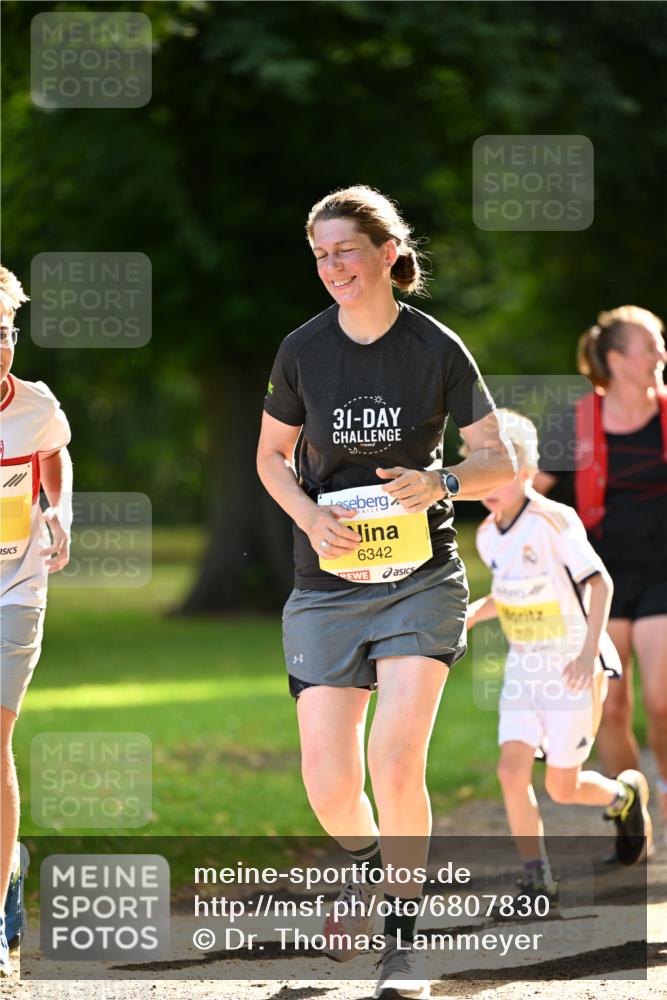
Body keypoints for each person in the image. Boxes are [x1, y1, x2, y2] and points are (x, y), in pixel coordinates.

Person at [257, 185, 515, 999]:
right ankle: (372, 866)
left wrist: (438, 480)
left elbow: (500, 462)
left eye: (345, 250)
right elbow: (269, 456)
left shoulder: (436, 348)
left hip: (419, 581)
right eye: (320, 254)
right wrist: (306, 516)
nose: (332, 266)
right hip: (326, 582)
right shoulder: (301, 348)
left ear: (387, 254)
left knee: (395, 759)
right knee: (330, 783)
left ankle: (404, 943)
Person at [467, 409, 653, 907]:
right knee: (511, 770)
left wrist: (589, 652)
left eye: (497, 465)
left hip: (573, 668)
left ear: (526, 469)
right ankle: (536, 875)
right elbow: (510, 595)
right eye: (475, 463)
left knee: (563, 788)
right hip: (523, 669)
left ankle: (623, 796)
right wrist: (470, 615)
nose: (485, 477)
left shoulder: (553, 519)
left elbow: (599, 582)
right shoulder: (486, 536)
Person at [536, 306, 667, 847]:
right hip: (602, 583)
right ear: (615, 360)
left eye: (660, 345)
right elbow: (533, 492)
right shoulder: (575, 423)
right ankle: (628, 803)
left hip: (663, 575)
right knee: (613, 705)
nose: (661, 355)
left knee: (662, 700)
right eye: (649, 346)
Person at [0, 266, 72, 976]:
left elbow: (54, 455)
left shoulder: (35, 405)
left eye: (3, 333)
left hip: (15, 585)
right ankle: (11, 866)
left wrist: (59, 509)